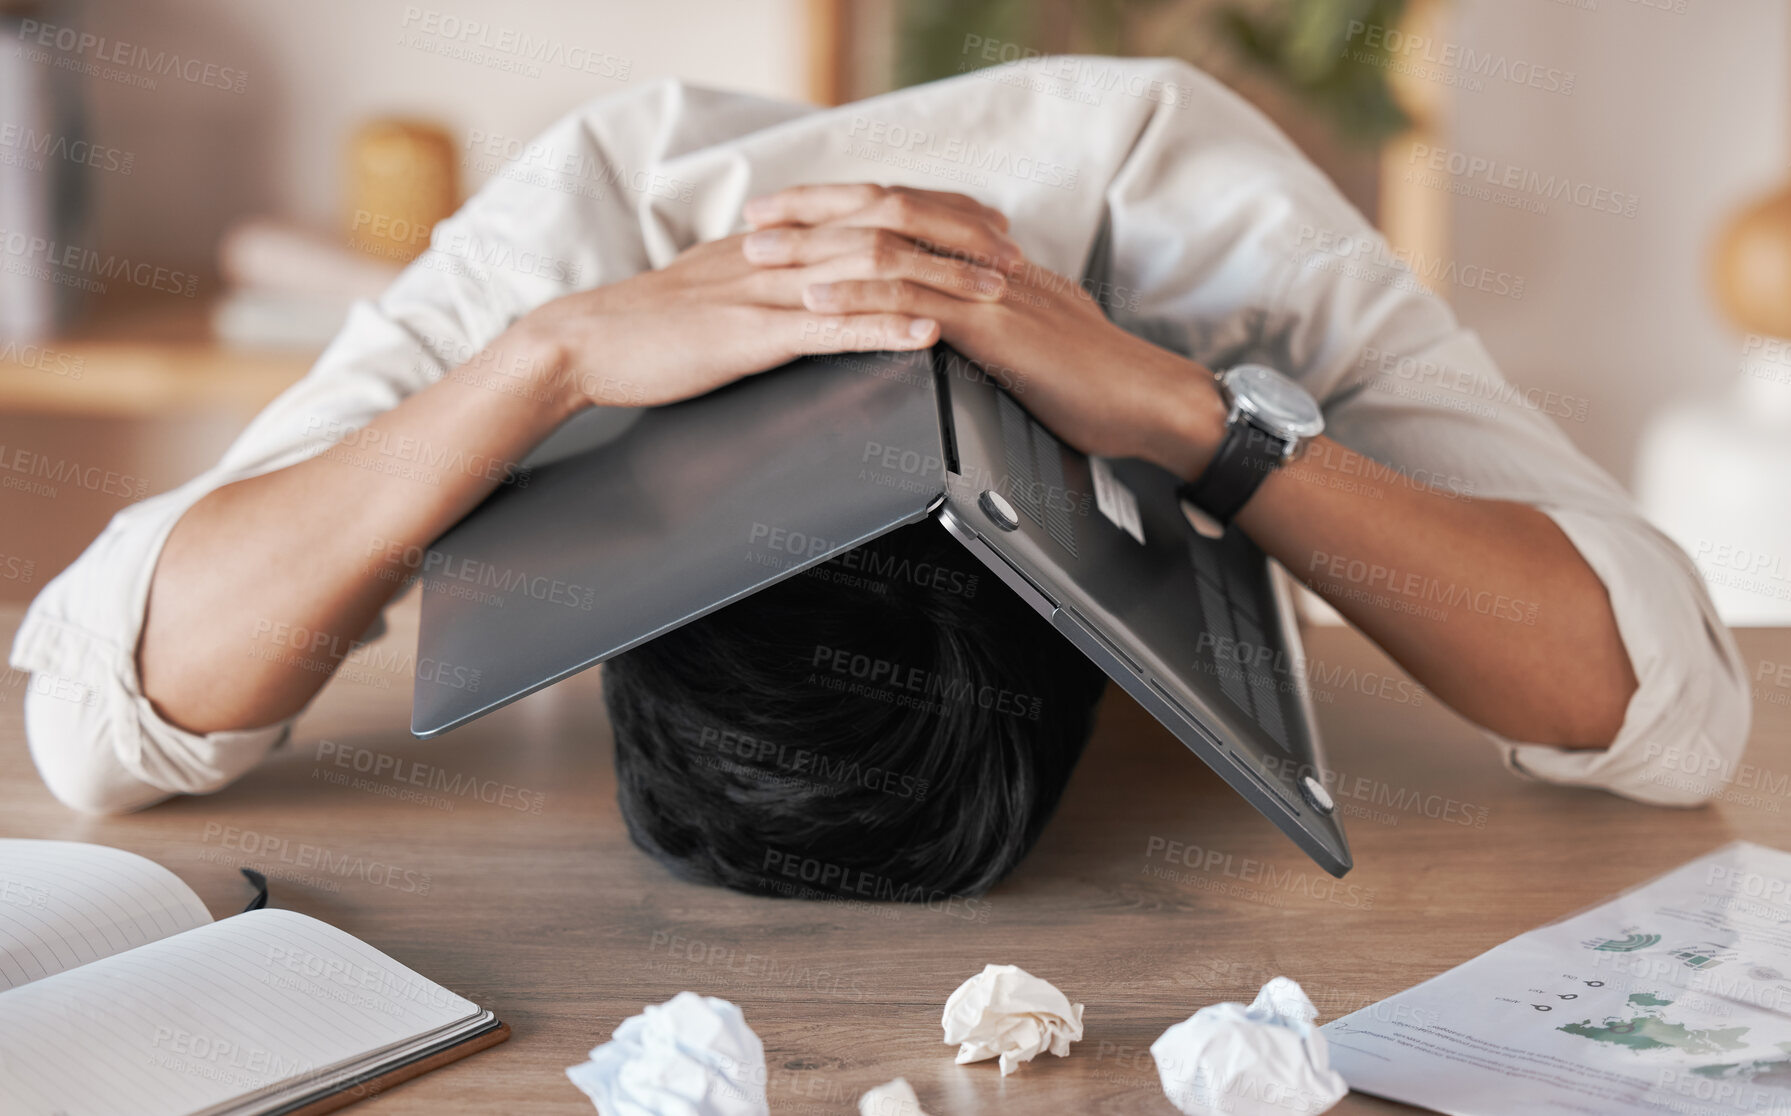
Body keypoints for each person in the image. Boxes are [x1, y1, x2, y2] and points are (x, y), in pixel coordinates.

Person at [10, 57, 1748, 900]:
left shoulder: (1195, 206)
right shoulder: (585, 231)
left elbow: (1669, 711)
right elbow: (98, 716)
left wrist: (1189, 415)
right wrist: (540, 362)